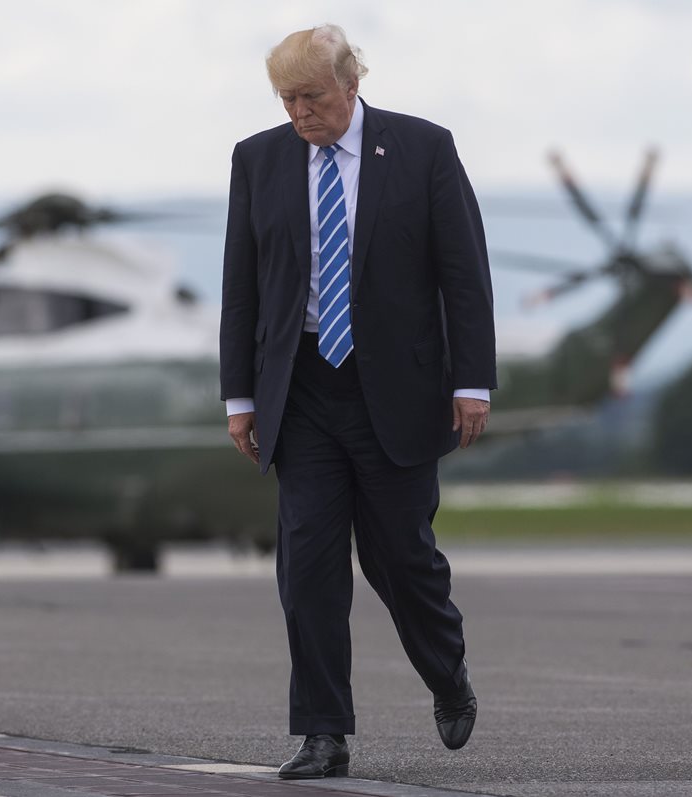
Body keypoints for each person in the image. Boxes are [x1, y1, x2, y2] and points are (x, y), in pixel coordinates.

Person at [219, 24, 496, 779]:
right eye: (286, 99)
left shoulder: (423, 148)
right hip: (302, 387)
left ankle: (447, 673)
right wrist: (240, 395)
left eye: (310, 96)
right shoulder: (259, 158)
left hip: (398, 389)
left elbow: (463, 273)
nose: (299, 113)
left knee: (399, 558)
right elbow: (241, 287)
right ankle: (323, 732)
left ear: (351, 83)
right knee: (306, 563)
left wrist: (472, 382)